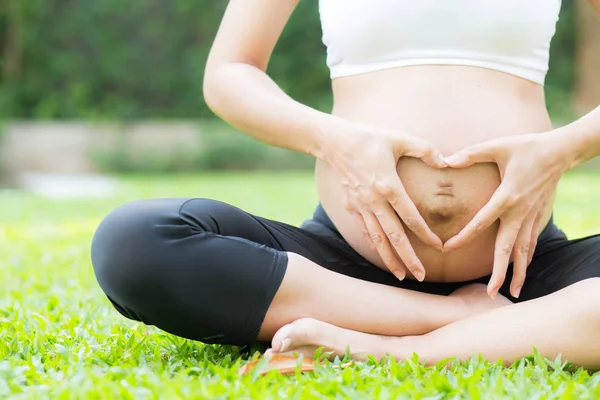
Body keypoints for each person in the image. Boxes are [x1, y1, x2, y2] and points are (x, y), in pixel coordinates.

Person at [91, 0, 600, 369]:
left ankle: (395, 348)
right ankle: (468, 318)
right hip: (344, 277)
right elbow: (230, 71)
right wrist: (333, 140)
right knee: (135, 242)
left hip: (520, 274)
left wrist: (563, 148)